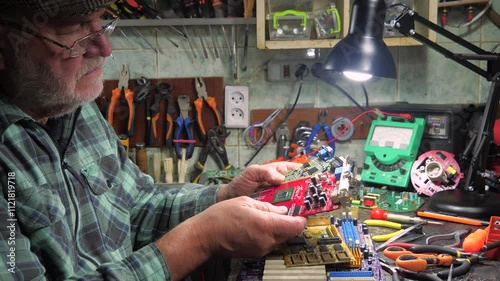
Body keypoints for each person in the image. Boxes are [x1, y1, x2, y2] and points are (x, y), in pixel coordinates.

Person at [0, 1, 308, 280]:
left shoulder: (75, 109)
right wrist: (201, 238)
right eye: (74, 31)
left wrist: (225, 196)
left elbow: (136, 207)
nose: (105, 48)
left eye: (102, 22)